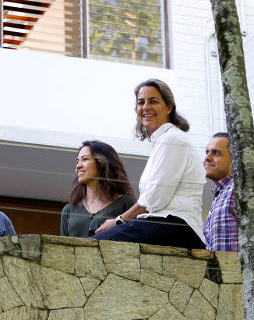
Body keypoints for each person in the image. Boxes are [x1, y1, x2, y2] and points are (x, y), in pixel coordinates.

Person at [93, 79, 206, 248]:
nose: (146, 107)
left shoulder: (173, 140)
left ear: (169, 107)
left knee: (92, 246)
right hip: (163, 226)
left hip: (176, 227)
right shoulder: (163, 141)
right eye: (141, 102)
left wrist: (118, 221)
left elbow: (155, 198)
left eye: (153, 101)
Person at [60, 140, 135, 237]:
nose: (78, 166)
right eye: (77, 161)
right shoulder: (69, 210)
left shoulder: (126, 203)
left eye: (85, 159)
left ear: (102, 162)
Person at [203, 132, 238, 251]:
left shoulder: (239, 190)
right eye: (207, 152)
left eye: (216, 153)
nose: (207, 158)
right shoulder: (219, 196)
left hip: (237, 269)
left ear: (234, 158)